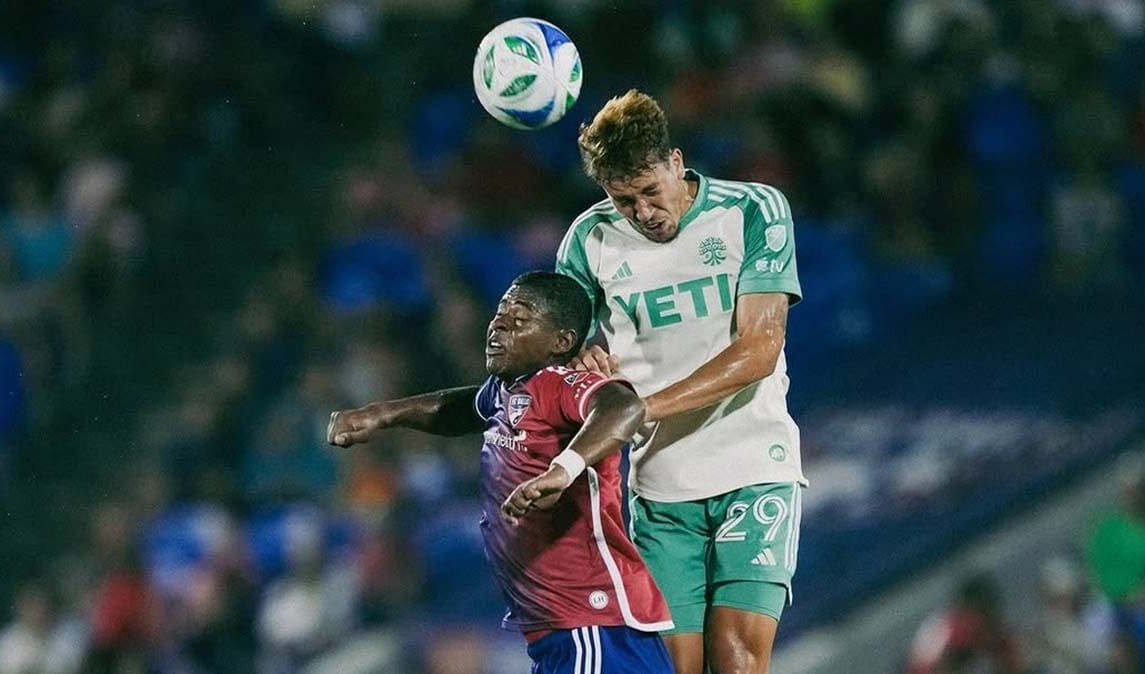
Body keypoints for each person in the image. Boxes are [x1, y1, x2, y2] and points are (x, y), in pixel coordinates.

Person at [556, 89, 808, 674]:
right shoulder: (588, 241)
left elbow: (759, 350)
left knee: (737, 658)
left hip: (754, 467)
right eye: (623, 201)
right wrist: (581, 355)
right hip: (660, 488)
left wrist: (643, 408)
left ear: (676, 162)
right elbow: (563, 345)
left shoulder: (753, 210)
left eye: (650, 192)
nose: (642, 212)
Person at [326, 271, 675, 674]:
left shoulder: (560, 383)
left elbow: (623, 407)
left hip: (591, 617)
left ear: (560, 342)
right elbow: (458, 409)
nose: (499, 326)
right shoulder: (506, 391)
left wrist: (562, 470)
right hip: (559, 624)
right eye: (500, 314)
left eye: (520, 319)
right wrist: (380, 414)